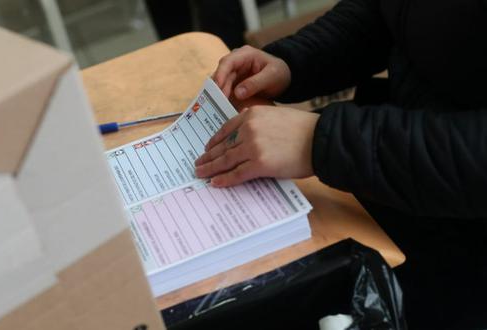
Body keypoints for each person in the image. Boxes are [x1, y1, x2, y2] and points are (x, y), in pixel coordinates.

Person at [194, 0, 487, 328]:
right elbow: (386, 12)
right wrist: (291, 61)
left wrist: (317, 142)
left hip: (460, 242)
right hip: (386, 157)